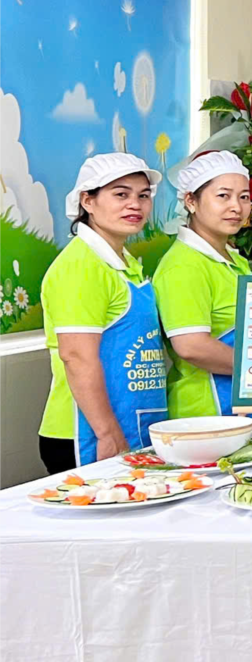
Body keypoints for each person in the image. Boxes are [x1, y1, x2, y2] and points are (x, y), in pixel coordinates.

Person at [36, 153, 167, 472]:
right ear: (88, 201)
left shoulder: (125, 263)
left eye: (143, 196)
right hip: (88, 434)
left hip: (132, 422)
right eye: (121, 194)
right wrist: (107, 434)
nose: (135, 204)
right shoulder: (81, 266)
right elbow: (76, 356)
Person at [154, 151, 252, 419]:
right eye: (223, 196)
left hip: (244, 407)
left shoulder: (234, 260)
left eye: (244, 197)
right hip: (206, 413)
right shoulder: (184, 265)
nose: (236, 207)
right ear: (191, 201)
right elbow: (192, 346)